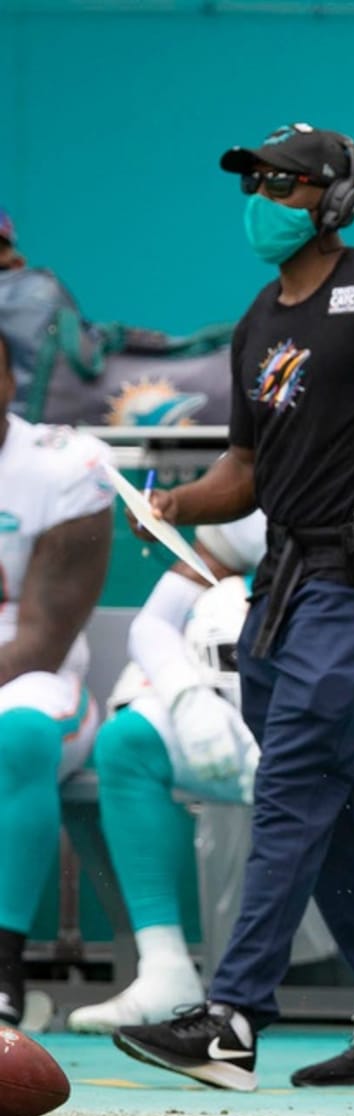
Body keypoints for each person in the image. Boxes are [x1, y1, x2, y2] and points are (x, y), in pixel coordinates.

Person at [110, 122, 354, 1092]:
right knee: (324, 805)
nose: (262, 199)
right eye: (256, 182)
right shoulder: (259, 320)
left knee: (290, 778)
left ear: (331, 200)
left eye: (284, 186)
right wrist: (171, 504)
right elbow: (244, 473)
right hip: (281, 585)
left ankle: (234, 1017)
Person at [67, 516, 266, 1033]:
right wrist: (186, 696)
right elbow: (153, 623)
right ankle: (166, 969)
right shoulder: (253, 513)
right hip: (230, 715)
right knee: (127, 742)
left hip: (342, 718)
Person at [0, 328, 114, 1027]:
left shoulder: (60, 465)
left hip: (31, 680)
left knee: (18, 734)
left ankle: (2, 967)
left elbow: (42, 641)